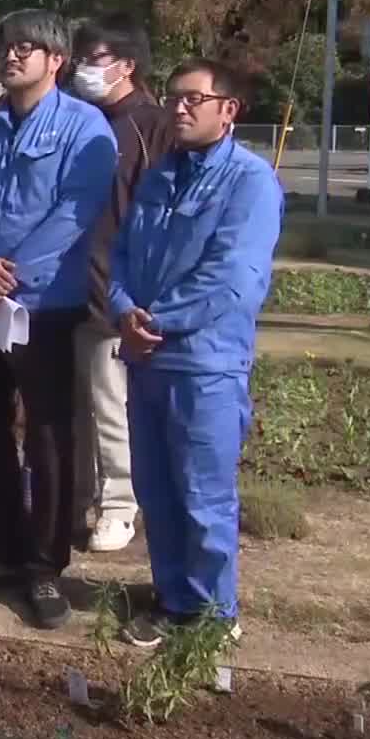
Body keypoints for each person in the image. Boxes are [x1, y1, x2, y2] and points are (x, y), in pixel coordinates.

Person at [0, 9, 119, 629]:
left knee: (48, 438)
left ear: (56, 60)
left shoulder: (86, 128)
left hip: (44, 306)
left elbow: (77, 211)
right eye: (6, 46)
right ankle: (8, 548)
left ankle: (46, 566)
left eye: (26, 47)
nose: (11, 56)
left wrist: (8, 270)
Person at [111, 59, 281, 646]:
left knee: (203, 496)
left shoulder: (250, 182)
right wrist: (121, 308)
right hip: (146, 359)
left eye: (193, 100)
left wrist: (154, 321)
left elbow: (233, 279)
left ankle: (213, 618)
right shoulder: (159, 176)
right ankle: (173, 599)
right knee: (156, 491)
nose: (178, 110)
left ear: (227, 110)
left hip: (204, 364)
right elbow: (124, 255)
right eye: (174, 99)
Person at [70, 14, 175, 554]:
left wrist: (138, 292)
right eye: (80, 57)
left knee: (111, 407)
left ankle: (118, 505)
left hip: (117, 290)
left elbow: (160, 215)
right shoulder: (75, 118)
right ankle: (74, 496)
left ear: (128, 66)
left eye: (97, 58)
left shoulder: (151, 125)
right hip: (65, 288)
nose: (84, 68)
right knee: (71, 408)